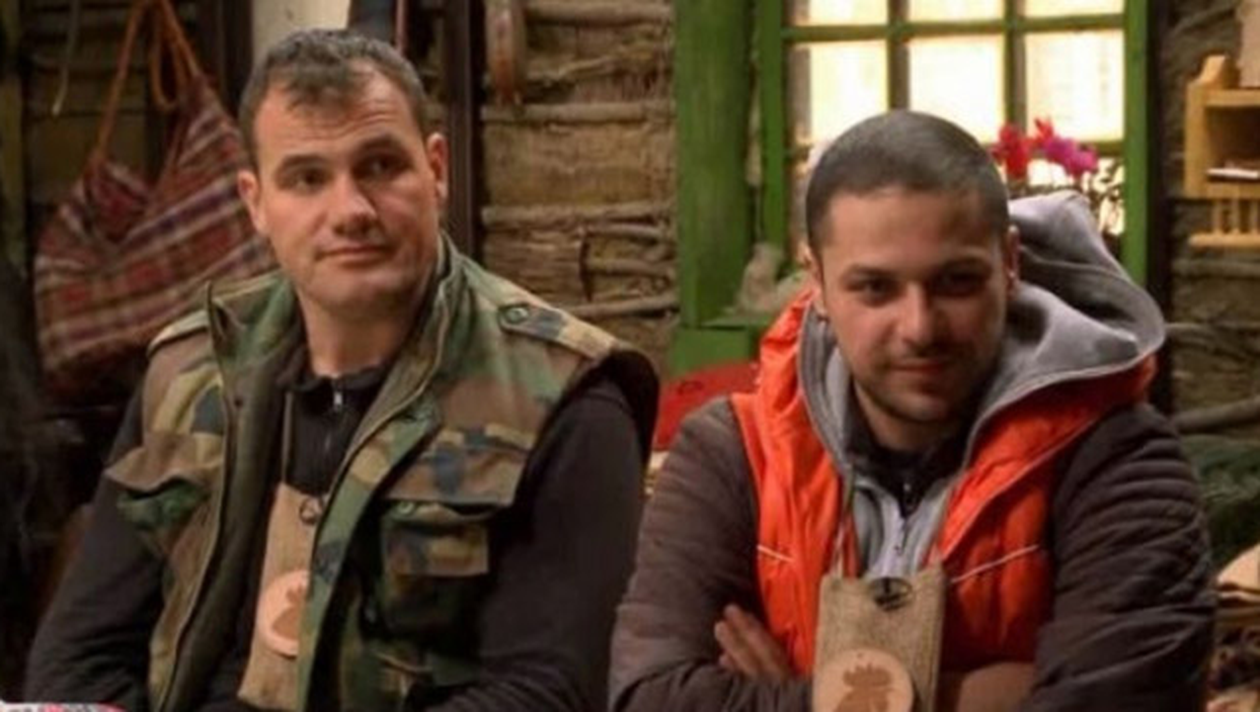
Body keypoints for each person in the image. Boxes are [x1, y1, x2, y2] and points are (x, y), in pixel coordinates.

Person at [26, 29, 657, 712]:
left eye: (380, 166)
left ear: (436, 170)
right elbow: (77, 657)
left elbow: (551, 690)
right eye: (307, 178)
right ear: (255, 203)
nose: (350, 211)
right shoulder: (188, 372)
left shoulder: (562, 392)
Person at [610, 111, 1213, 711]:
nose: (920, 328)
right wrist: (962, 696)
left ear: (1009, 263)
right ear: (817, 283)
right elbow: (649, 699)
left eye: (956, 282)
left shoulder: (1118, 457)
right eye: (875, 288)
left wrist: (800, 692)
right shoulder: (733, 452)